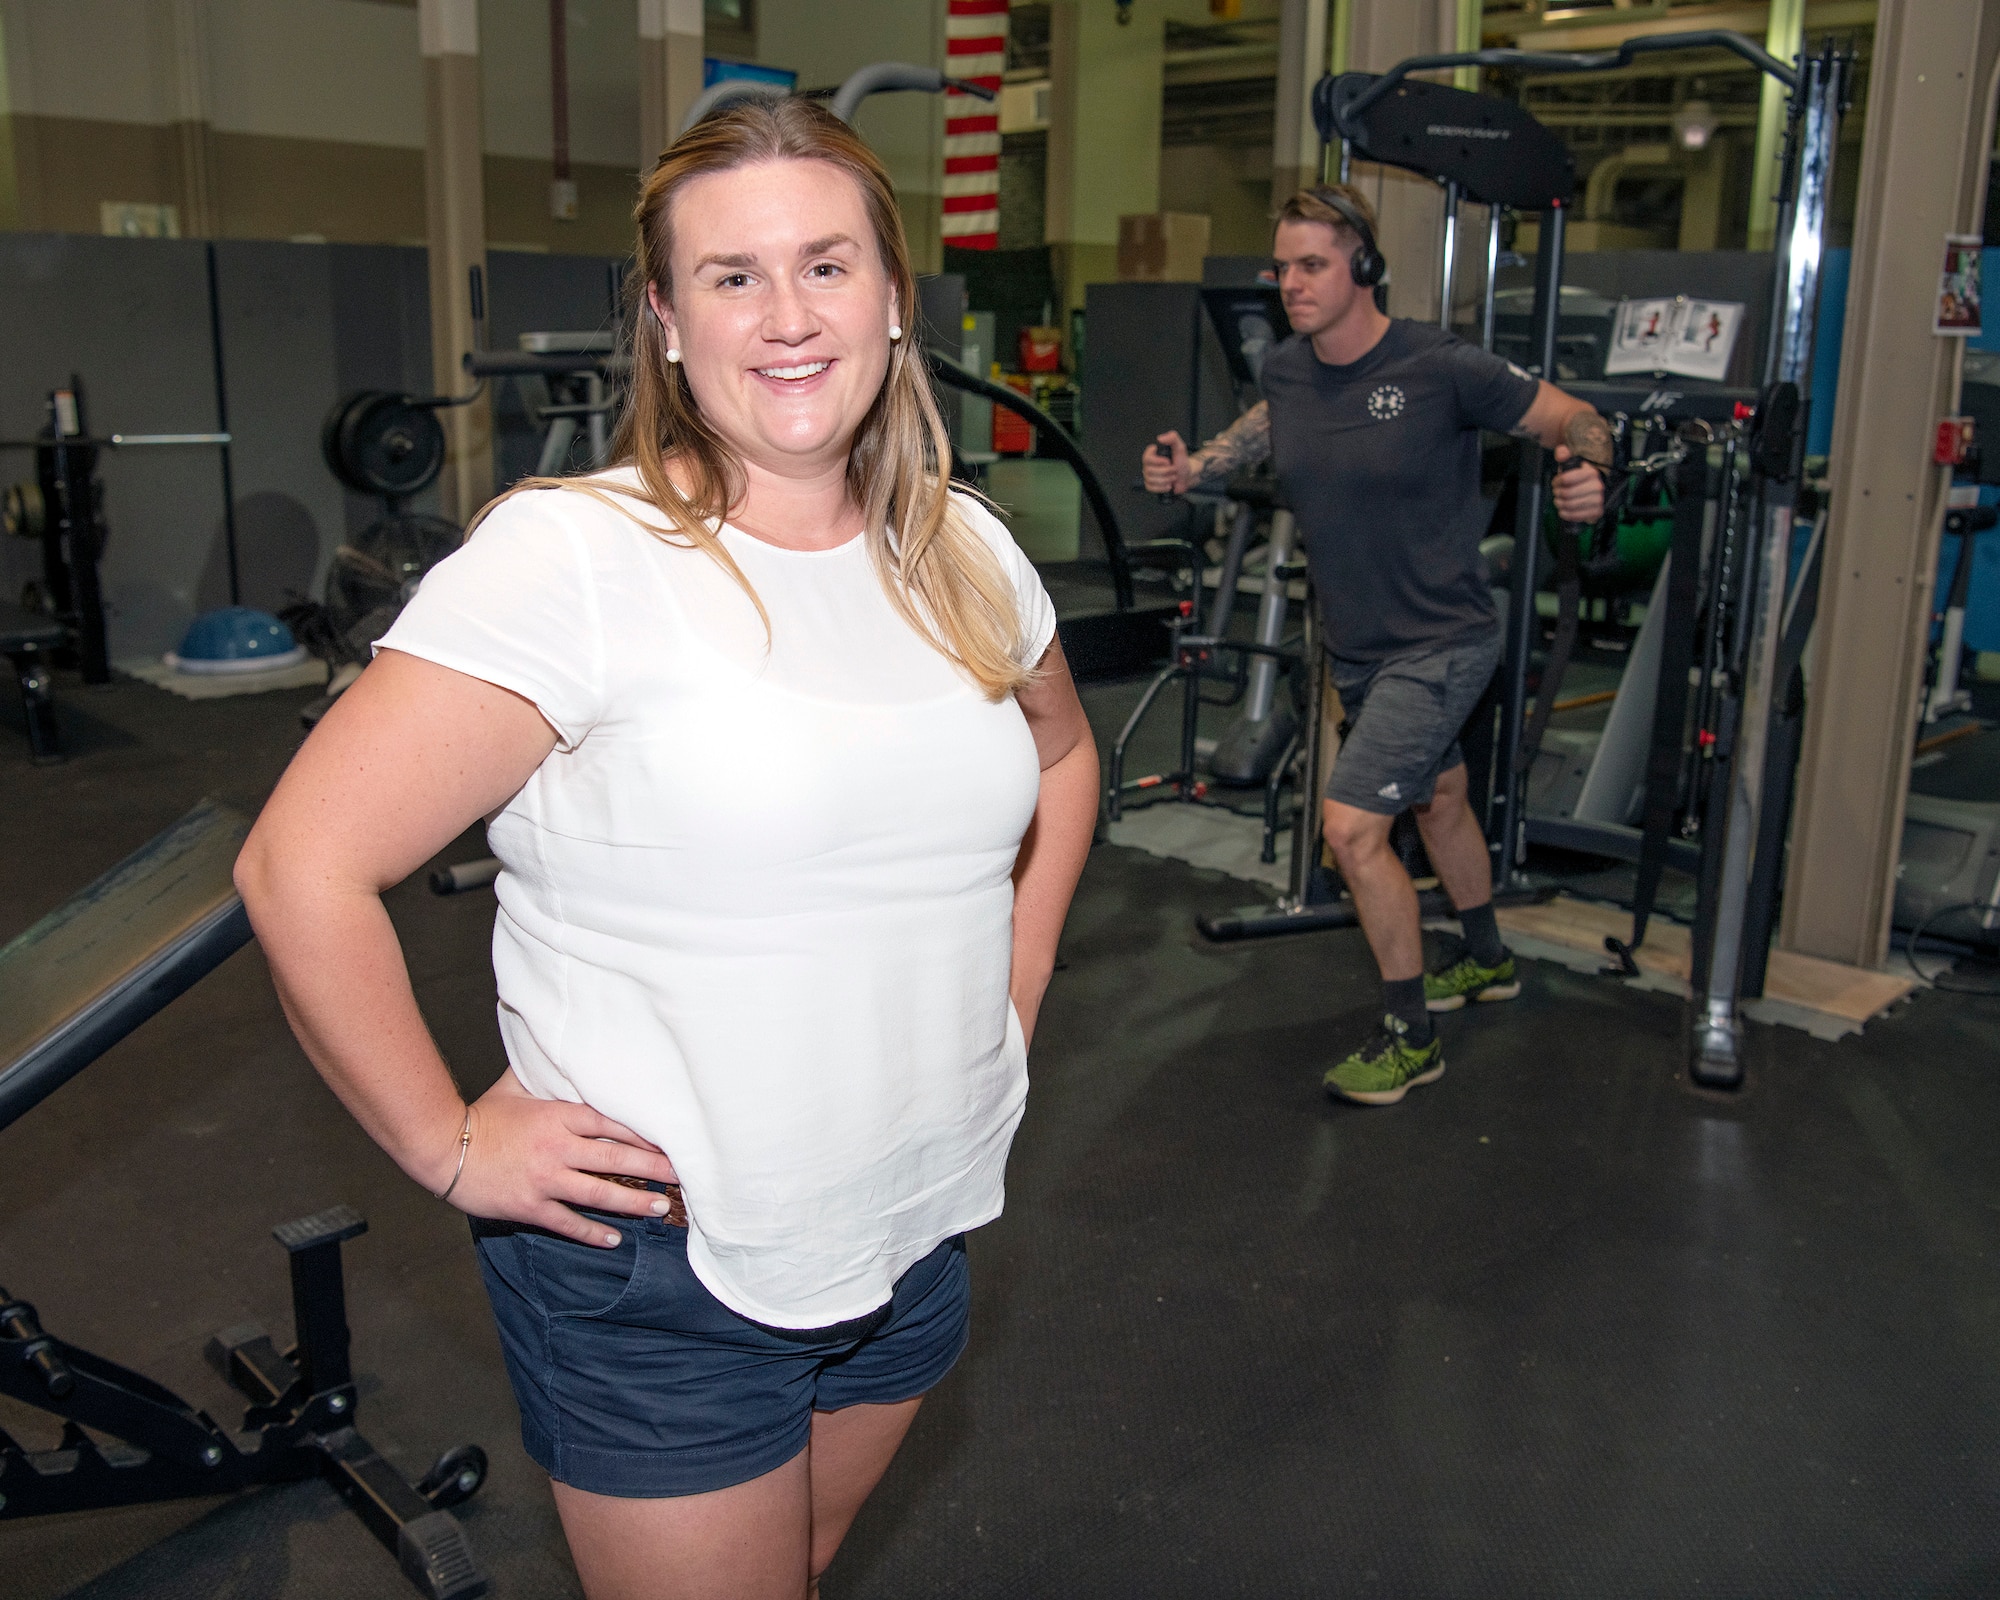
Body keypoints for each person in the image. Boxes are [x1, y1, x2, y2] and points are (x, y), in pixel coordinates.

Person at [236, 98, 1098, 1599]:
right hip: (661, 1270)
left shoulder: (967, 547)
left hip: (915, 1222)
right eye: (731, 276)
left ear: (895, 298)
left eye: (827, 267)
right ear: (665, 317)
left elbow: (1066, 754)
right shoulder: (575, 558)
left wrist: (1011, 995)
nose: (786, 317)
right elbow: (298, 865)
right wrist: (446, 1140)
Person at [1142, 183, 1609, 1108]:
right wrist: (1193, 470)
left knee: (1354, 832)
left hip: (1442, 641)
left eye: (1311, 265)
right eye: (1281, 268)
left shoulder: (1441, 365)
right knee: (1438, 802)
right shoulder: (1287, 369)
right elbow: (1264, 431)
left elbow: (1571, 416)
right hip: (1355, 644)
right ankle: (1483, 959)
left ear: (1364, 267)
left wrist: (1588, 465)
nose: (1291, 284)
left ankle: (1410, 1036)